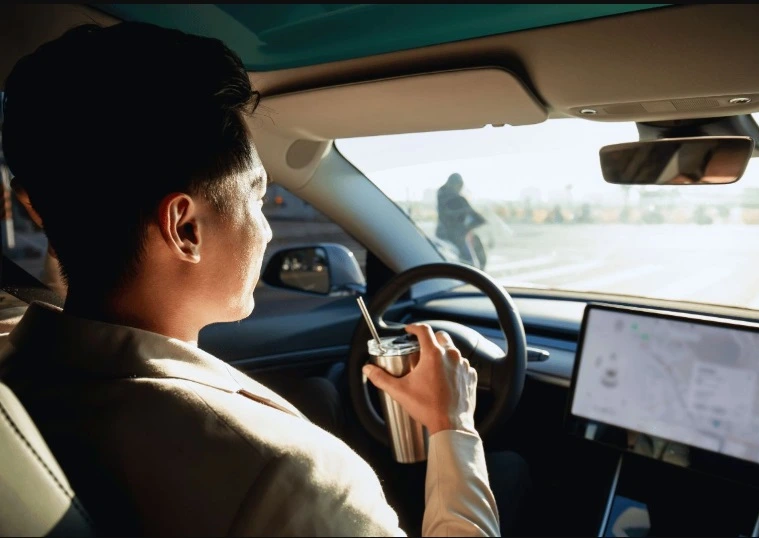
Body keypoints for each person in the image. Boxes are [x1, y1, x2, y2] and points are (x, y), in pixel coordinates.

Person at [0, 22, 501, 536]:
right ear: (185, 229)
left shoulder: (13, 385)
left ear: (34, 207)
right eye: (257, 199)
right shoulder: (288, 476)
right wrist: (452, 427)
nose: (265, 231)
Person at [436, 173, 487, 267]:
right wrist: (482, 220)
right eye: (459, 185)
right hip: (456, 236)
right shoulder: (457, 199)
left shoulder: (441, 194)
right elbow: (472, 213)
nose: (460, 188)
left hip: (441, 234)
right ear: (457, 184)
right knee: (470, 262)